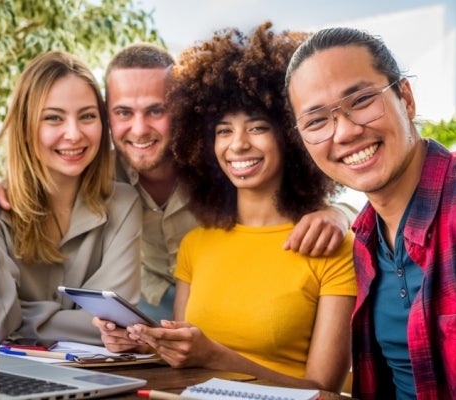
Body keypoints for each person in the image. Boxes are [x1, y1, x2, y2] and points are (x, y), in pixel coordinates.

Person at [0, 43, 357, 323]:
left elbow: (305, 189)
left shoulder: (224, 160)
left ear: (182, 108)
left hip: (232, 312)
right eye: (123, 112)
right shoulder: (93, 171)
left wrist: (337, 213)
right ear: (108, 115)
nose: (139, 129)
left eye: (156, 110)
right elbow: (33, 175)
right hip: (139, 319)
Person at [94, 23, 357, 394]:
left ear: (291, 136)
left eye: (258, 127)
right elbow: (183, 357)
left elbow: (323, 390)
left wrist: (216, 357)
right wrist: (142, 342)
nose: (238, 145)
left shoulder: (332, 246)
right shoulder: (197, 245)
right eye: (223, 131)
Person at [285, 27, 456, 400]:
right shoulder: (363, 237)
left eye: (362, 100)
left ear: (406, 99)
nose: (344, 132)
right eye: (316, 121)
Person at [0, 51, 142, 345]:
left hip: (94, 378)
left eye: (87, 116)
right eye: (53, 118)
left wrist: (20, 319)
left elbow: (113, 325)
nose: (74, 134)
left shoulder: (124, 204)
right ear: (26, 129)